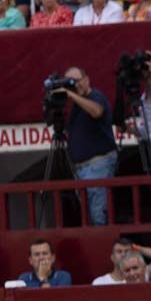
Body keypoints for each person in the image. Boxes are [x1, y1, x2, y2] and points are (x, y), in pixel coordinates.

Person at [60, 66, 118, 227]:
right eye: (69, 83)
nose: (73, 85)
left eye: (76, 81)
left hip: (97, 165)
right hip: (81, 169)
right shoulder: (76, 106)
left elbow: (97, 111)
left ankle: (105, 249)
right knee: (89, 217)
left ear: (87, 80)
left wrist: (71, 94)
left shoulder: (95, 96)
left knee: (98, 215)